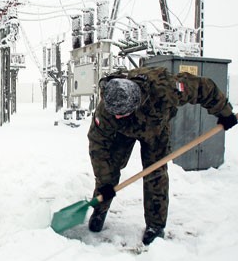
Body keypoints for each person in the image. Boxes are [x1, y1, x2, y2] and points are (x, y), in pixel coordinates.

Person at [87, 66, 237, 245]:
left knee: (155, 175)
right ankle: (100, 209)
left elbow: (203, 88)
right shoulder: (107, 110)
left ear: (136, 105)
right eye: (115, 115)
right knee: (108, 172)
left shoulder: (164, 89)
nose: (117, 117)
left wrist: (225, 112)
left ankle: (155, 226)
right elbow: (98, 145)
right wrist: (104, 182)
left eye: (122, 114)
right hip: (122, 134)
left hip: (155, 131)